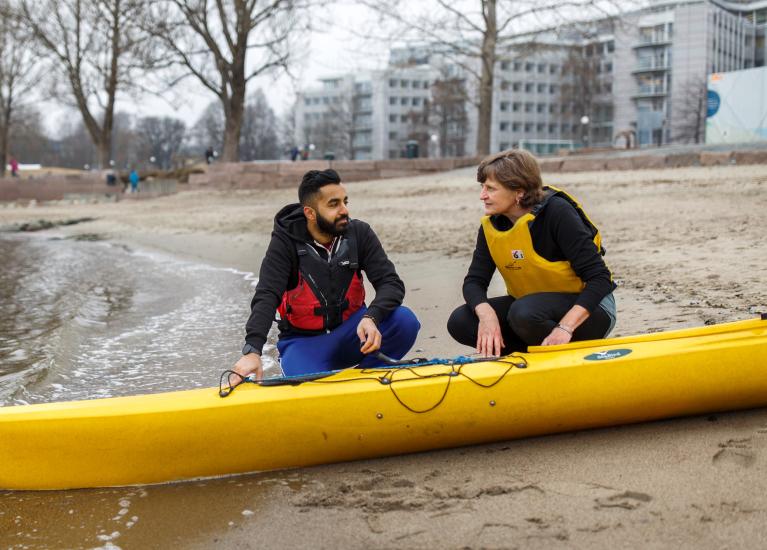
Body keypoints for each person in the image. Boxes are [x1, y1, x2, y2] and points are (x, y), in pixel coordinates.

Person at [232, 168, 420, 382]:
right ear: (310, 213)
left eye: (344, 202)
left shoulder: (360, 233)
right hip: (304, 344)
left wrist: (371, 317)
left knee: (405, 321)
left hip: (355, 333)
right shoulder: (284, 244)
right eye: (333, 204)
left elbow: (390, 283)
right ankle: (325, 379)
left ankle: (365, 378)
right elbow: (267, 294)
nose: (344, 211)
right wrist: (252, 351)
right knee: (303, 383)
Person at [447, 149, 616, 357]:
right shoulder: (492, 225)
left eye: (490, 188)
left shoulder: (557, 213)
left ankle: (561, 354)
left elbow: (600, 279)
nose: (482, 196)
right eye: (482, 187)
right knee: (461, 321)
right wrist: (487, 315)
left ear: (519, 192)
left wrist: (565, 328)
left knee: (524, 312)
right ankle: (529, 359)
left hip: (590, 311)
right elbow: (474, 281)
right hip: (532, 311)